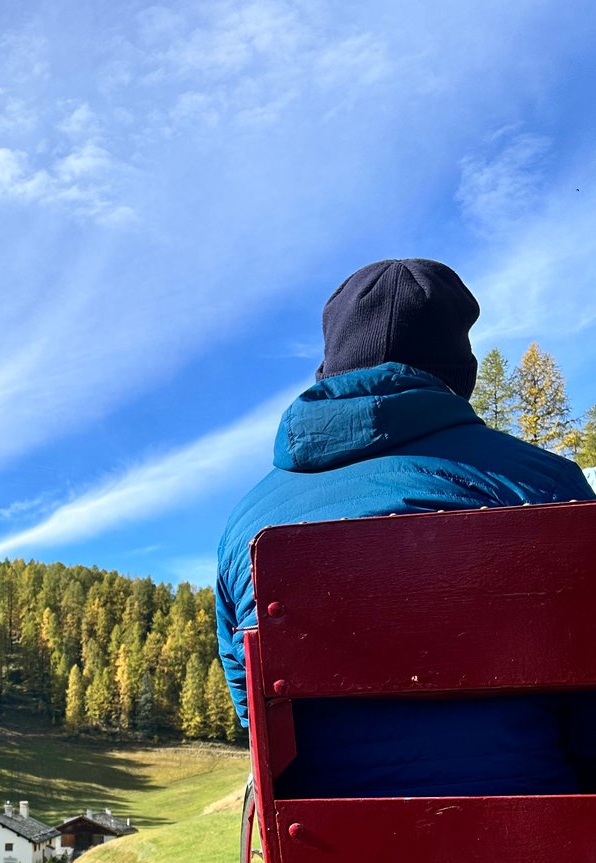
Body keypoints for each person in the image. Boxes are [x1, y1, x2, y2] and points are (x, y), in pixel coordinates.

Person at [216, 258, 596, 797]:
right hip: (546, 847)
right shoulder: (548, 484)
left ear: (329, 369)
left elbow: (254, 713)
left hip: (326, 859)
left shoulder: (247, 525)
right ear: (458, 372)